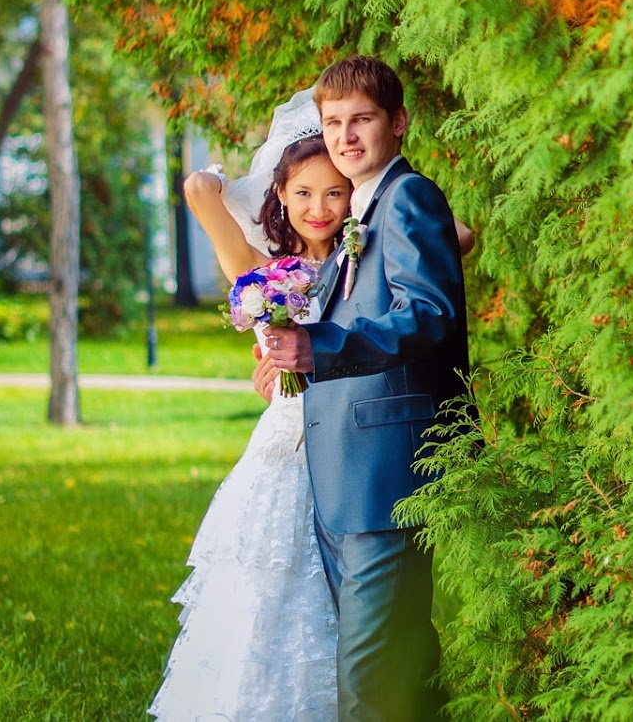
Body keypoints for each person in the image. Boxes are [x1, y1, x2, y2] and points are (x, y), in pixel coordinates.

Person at [261, 55, 470, 722]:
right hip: (345, 479)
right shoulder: (362, 208)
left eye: (363, 119)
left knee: (367, 687)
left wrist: (318, 348)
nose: (346, 136)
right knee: (401, 671)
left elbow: (428, 312)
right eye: (333, 123)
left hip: (389, 475)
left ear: (399, 122)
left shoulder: (408, 197)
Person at [151, 101, 348, 722]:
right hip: (280, 448)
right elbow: (197, 190)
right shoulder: (265, 276)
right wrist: (218, 184)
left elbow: (461, 237)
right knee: (265, 578)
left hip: (341, 442)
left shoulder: (360, 262)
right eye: (303, 193)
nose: (318, 208)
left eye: (336, 194)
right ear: (281, 197)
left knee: (337, 590)